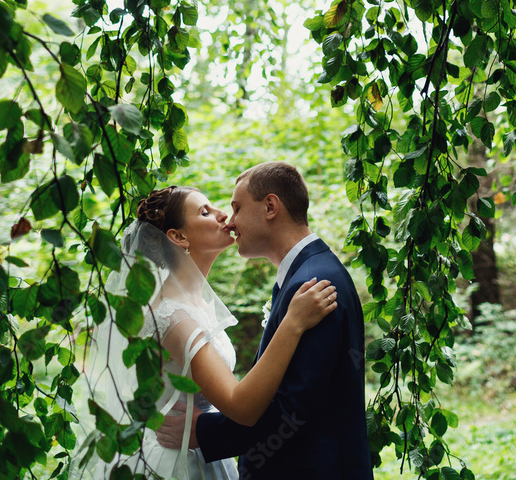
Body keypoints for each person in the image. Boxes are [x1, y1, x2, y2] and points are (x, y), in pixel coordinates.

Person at [69, 185, 338, 480]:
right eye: (205, 212)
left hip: (199, 451)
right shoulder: (174, 316)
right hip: (176, 463)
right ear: (179, 237)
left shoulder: (196, 303)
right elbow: (241, 406)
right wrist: (292, 323)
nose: (223, 215)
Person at [157, 161, 373, 480]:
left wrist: (204, 431)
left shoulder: (313, 284)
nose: (230, 220)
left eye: (237, 208)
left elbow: (294, 408)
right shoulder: (303, 277)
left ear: (270, 207)